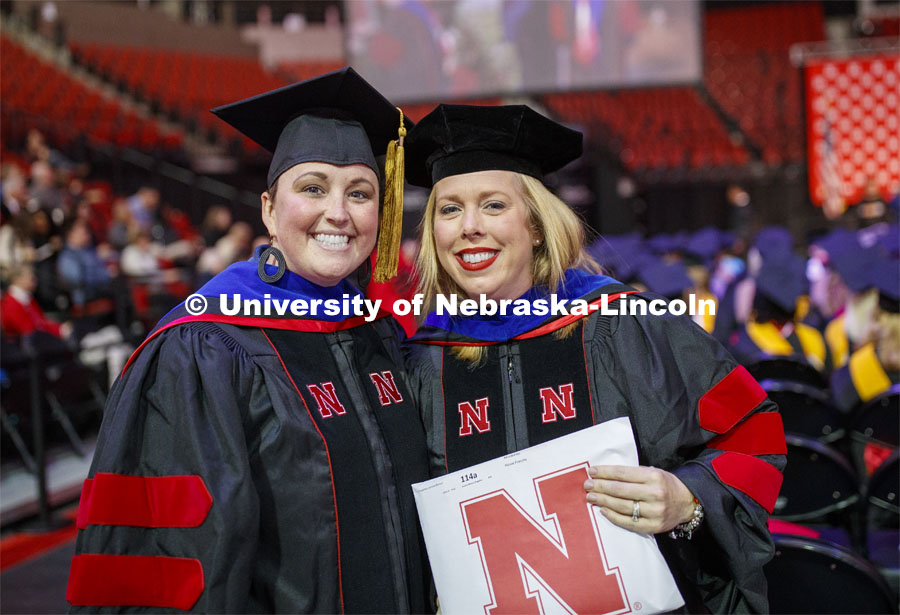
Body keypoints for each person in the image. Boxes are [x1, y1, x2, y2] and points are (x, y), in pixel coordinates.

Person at [66, 68, 431, 613]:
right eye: (312, 188)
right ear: (268, 210)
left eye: (360, 193)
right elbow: (175, 563)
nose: (339, 212)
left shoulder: (375, 332)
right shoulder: (205, 348)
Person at [403, 104, 785, 613]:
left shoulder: (625, 325)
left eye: (493, 205)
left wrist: (688, 497)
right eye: (449, 209)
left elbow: (754, 431)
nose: (470, 226)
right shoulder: (424, 362)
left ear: (536, 225)